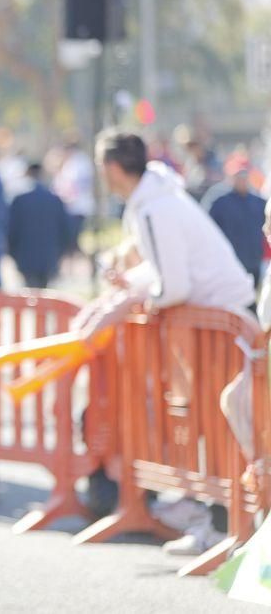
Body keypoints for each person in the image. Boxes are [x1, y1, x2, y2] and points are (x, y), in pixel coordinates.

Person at [75, 130, 254, 554]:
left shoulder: (155, 208)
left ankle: (220, 525)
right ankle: (214, 520)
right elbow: (169, 276)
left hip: (220, 327)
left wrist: (126, 300)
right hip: (220, 323)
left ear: (111, 168)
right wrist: (131, 291)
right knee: (215, 423)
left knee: (219, 424)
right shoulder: (158, 200)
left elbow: (172, 286)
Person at [7, 162, 71, 289]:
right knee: (44, 292)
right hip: (49, 256)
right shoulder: (55, 200)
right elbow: (66, 230)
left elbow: (11, 231)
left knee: (30, 293)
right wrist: (59, 253)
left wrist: (13, 254)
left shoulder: (19, 200)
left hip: (25, 257)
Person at [208, 157, 267, 291]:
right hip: (229, 265)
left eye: (244, 175)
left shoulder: (259, 202)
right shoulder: (219, 202)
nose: (242, 179)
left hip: (254, 263)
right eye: (238, 175)